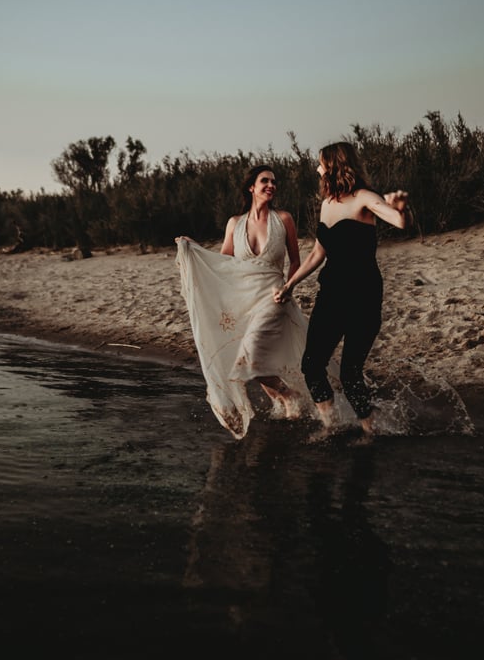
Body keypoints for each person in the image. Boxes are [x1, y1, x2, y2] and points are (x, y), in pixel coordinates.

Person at [176, 164, 347, 440]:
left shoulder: (284, 219)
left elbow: (295, 261)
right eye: (264, 181)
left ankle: (289, 396)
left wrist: (289, 288)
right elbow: (223, 263)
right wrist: (193, 249)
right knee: (254, 363)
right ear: (251, 187)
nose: (271, 185)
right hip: (244, 300)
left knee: (250, 357)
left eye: (274, 182)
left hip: (274, 297)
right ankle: (287, 402)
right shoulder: (235, 223)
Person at [274, 141, 412, 443]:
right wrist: (290, 284)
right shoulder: (327, 204)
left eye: (321, 163)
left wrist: (401, 208)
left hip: (363, 294)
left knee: (350, 374)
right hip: (331, 293)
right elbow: (316, 254)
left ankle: (369, 431)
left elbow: (399, 221)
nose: (318, 168)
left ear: (334, 165)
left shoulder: (364, 197)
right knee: (312, 365)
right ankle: (331, 426)